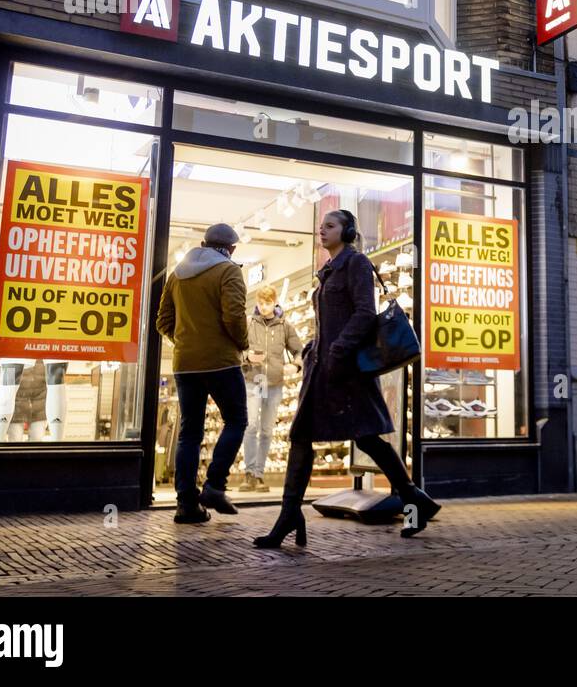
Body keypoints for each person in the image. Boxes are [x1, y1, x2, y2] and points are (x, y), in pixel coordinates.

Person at [255, 209, 440, 548]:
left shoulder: (355, 264)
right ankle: (289, 515)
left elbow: (365, 313)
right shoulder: (328, 271)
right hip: (324, 367)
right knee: (302, 435)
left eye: (330, 225)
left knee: (367, 438)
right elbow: (331, 319)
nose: (322, 230)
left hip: (345, 369)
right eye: (321, 225)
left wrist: (338, 349)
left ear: (348, 230)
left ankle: (414, 500)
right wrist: (314, 346)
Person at [156, 222, 250, 524]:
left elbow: (163, 321)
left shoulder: (177, 275)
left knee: (189, 433)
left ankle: (186, 504)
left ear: (203, 243)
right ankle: (214, 485)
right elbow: (234, 316)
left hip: (185, 364)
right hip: (222, 361)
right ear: (231, 248)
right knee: (236, 420)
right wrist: (243, 345)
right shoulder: (228, 271)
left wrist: (184, 341)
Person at [241, 284, 303, 492]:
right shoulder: (249, 324)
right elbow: (235, 349)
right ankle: (249, 473)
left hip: (275, 382)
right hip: (254, 379)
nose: (264, 307)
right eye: (261, 303)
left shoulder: (284, 325)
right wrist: (246, 357)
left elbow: (299, 350)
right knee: (250, 426)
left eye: (268, 303)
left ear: (275, 302)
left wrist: (295, 365)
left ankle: (259, 474)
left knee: (267, 430)